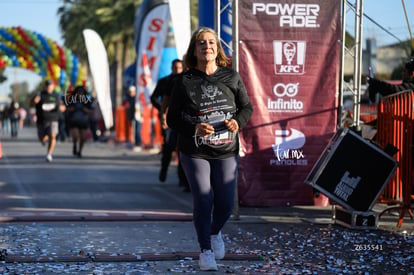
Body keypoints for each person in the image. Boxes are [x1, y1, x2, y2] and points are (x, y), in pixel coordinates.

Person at [166, 27, 253, 271]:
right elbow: (172, 118)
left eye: (211, 42)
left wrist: (238, 122)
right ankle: (205, 250)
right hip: (194, 150)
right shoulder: (184, 81)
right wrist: (194, 128)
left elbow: (246, 108)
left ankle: (215, 233)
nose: (207, 47)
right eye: (201, 43)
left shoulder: (231, 77)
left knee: (225, 204)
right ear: (194, 50)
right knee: (204, 199)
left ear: (217, 48)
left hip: (225, 149)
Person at [151, 59, 186, 185]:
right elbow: (156, 98)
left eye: (179, 67)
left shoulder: (187, 79)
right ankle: (164, 169)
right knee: (169, 147)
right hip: (170, 121)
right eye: (175, 67)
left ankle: (183, 180)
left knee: (182, 149)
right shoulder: (167, 81)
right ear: (171, 68)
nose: (177, 70)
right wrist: (163, 113)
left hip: (184, 121)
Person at [32, 80, 66, 162]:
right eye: (48, 85)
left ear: (53, 86)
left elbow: (62, 106)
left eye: (50, 85)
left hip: (53, 119)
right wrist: (34, 102)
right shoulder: (40, 95)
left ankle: (49, 154)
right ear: (45, 86)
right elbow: (32, 104)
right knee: (42, 138)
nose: (49, 87)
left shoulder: (55, 96)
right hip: (42, 120)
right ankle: (44, 139)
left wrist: (62, 108)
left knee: (53, 135)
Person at [66, 86, 93, 158]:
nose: (80, 95)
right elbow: (67, 108)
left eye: (81, 93)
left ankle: (80, 151)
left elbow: (92, 110)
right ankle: (75, 144)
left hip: (83, 121)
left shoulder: (87, 100)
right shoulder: (72, 99)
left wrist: (86, 110)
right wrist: (71, 109)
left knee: (83, 138)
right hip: (74, 120)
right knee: (75, 136)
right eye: (78, 93)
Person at [124, 85, 142, 151]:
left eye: (132, 92)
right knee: (134, 131)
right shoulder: (129, 99)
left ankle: (139, 143)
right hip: (132, 117)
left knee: (138, 131)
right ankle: (136, 143)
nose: (131, 93)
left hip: (139, 116)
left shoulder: (138, 98)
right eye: (130, 92)